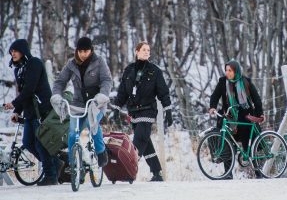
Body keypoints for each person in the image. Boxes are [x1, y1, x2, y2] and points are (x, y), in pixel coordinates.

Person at [114, 41, 173, 182]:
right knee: (146, 143)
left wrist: (168, 110)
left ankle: (128, 169)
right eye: (144, 49)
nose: (147, 52)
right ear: (137, 52)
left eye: (148, 50)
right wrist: (116, 108)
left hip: (148, 110)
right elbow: (122, 91)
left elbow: (163, 93)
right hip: (134, 111)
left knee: (140, 138)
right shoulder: (129, 70)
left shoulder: (155, 71)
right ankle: (157, 173)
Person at [4, 39, 59, 185]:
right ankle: (57, 165)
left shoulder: (35, 63)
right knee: (28, 142)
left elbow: (30, 89)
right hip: (29, 111)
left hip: (41, 110)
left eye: (15, 51)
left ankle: (51, 175)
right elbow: (24, 93)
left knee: (41, 143)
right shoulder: (19, 69)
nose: (13, 54)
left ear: (23, 50)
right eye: (11, 52)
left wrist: (14, 103)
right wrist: (17, 111)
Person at [51, 37, 111, 169]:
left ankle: (101, 152)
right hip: (78, 104)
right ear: (77, 51)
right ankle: (73, 165)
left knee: (92, 125)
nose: (83, 54)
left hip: (96, 103)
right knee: (73, 132)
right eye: (81, 51)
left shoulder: (99, 61)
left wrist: (102, 95)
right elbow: (60, 82)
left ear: (91, 50)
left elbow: (107, 80)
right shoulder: (71, 64)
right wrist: (56, 95)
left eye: (86, 51)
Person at [209, 59, 265, 179]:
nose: (227, 73)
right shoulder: (223, 82)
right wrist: (212, 107)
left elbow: (256, 99)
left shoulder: (246, 82)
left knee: (250, 144)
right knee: (226, 142)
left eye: (230, 70)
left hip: (245, 117)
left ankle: (258, 172)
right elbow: (215, 96)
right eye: (226, 70)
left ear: (236, 71)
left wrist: (260, 114)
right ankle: (228, 174)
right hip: (229, 116)